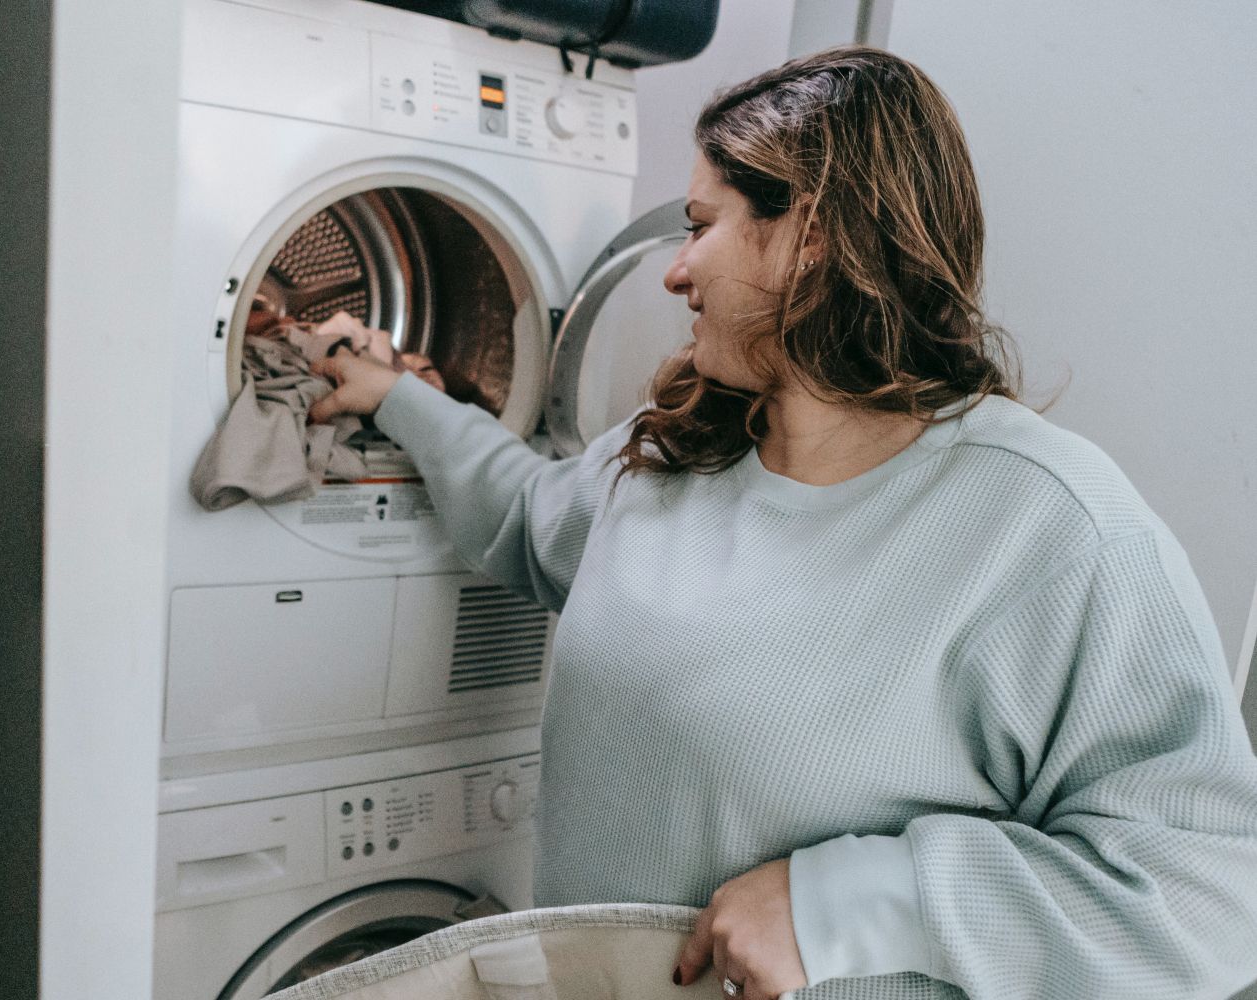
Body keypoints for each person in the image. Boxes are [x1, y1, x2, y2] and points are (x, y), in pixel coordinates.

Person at [308, 47, 1257, 1000]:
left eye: (700, 226)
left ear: (810, 234)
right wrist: (396, 396)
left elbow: (1212, 893)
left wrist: (853, 900)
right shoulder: (676, 459)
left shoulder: (1046, 526)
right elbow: (521, 512)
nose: (676, 272)